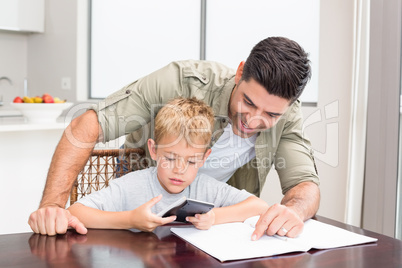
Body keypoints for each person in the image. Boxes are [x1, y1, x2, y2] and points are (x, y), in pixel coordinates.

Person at [28, 36, 320, 239]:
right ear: (240, 73)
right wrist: (52, 208)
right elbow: (87, 125)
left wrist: (293, 212)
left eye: (271, 115)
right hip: (145, 194)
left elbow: (305, 185)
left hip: (206, 213)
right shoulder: (181, 79)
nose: (254, 121)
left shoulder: (289, 117)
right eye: (249, 103)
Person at [67, 97, 269, 232]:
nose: (179, 169)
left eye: (191, 161)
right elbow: (75, 212)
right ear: (153, 150)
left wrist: (214, 216)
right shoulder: (131, 185)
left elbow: (259, 206)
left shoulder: (205, 186)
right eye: (171, 158)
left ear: (204, 157)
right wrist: (130, 220)